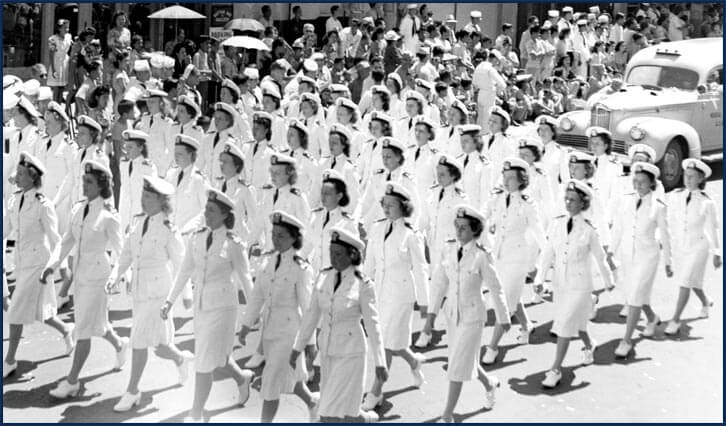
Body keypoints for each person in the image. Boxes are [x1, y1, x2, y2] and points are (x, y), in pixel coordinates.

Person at [162, 189, 255, 422]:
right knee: (218, 358)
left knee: (203, 361)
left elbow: (246, 280)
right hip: (202, 307)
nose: (207, 213)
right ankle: (242, 378)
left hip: (223, 309)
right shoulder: (197, 237)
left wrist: (252, 316)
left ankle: (196, 414)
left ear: (225, 215)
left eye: (212, 210)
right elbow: (184, 271)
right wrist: (169, 301)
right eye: (206, 209)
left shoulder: (233, 243)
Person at [106, 176, 193, 411]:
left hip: (158, 292)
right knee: (159, 344)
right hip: (139, 289)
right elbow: (126, 253)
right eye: (143, 196)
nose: (143, 201)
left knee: (138, 340)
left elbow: (181, 264)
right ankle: (180, 359)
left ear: (162, 201)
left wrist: (184, 295)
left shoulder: (168, 229)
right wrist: (115, 275)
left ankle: (132, 391)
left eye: (149, 197)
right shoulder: (137, 221)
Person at [42, 161, 127, 398]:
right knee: (98, 324)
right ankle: (120, 345)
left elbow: (121, 251)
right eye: (84, 180)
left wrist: (118, 277)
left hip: (98, 279)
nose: (84, 185)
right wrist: (52, 265)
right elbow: (67, 240)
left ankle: (72, 381)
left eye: (89, 182)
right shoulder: (79, 208)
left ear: (101, 185)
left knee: (83, 330)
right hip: (80, 275)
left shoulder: (110, 215)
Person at [290, 227, 387, 422]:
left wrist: (380, 363)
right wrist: (297, 348)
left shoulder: (363, 284)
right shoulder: (323, 276)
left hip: (351, 353)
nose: (333, 258)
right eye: (331, 253)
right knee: (340, 409)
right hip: (327, 351)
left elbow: (373, 326)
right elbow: (311, 316)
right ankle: (365, 420)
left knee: (328, 412)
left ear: (352, 255)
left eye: (338, 254)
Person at [423, 204, 511, 420]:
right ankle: (489, 383)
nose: (459, 231)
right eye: (457, 226)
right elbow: (439, 284)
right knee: (464, 360)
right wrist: (430, 317)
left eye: (464, 228)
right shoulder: (448, 249)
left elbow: (496, 287)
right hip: (452, 315)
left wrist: (503, 317)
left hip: (473, 317)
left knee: (455, 366)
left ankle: (447, 414)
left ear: (475, 230)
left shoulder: (481, 256)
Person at [239, 211, 319, 422]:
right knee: (289, 377)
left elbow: (308, 307)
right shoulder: (267, 261)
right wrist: (246, 324)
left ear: (294, 238)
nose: (275, 239)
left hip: (289, 334)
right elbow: (257, 295)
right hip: (269, 331)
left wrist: (310, 343)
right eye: (274, 234)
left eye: (282, 235)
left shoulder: (301, 268)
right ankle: (312, 402)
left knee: (271, 381)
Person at [534, 179, 615, 388]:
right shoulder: (558, 223)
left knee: (563, 325)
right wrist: (540, 279)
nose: (568, 203)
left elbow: (600, 257)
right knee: (577, 324)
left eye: (573, 200)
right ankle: (590, 345)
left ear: (583, 204)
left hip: (580, 285)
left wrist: (608, 281)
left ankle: (555, 369)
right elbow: (548, 253)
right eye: (567, 199)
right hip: (561, 283)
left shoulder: (589, 229)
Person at [3, 152, 74, 378]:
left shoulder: (44, 204)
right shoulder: (13, 200)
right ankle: (66, 329)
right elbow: (6, 230)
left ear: (33, 177)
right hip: (21, 261)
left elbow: (56, 239)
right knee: (42, 311)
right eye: (18, 173)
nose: (17, 177)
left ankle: (9, 360)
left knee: (15, 311)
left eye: (22, 174)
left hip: (38, 263)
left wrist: (60, 267)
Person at [361, 183, 429, 411]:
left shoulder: (411, 234)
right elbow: (369, 263)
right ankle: (414, 361)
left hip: (401, 295)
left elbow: (421, 268)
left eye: (392, 205)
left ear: (404, 206)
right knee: (393, 341)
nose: (386, 208)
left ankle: (376, 390)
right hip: (380, 293)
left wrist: (425, 302)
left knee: (385, 344)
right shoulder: (377, 228)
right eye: (384, 204)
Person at [481, 158, 546, 364]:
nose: (506, 181)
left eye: (511, 178)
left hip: (518, 256)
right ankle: (527, 326)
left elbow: (537, 230)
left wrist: (548, 255)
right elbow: (483, 215)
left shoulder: (527, 203)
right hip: (499, 254)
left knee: (504, 301)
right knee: (510, 295)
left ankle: (492, 347)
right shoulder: (498, 197)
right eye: (505, 177)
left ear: (521, 180)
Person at [611, 162, 672, 357]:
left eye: (642, 182)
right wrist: (610, 253)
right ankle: (652, 318)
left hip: (648, 256)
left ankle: (626, 341)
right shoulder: (626, 200)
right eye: (635, 181)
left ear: (652, 184)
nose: (637, 185)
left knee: (636, 295)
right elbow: (618, 228)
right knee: (635, 293)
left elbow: (665, 235)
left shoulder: (658, 206)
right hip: (628, 255)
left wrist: (668, 262)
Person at [665, 159, 722, 335]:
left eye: (692, 177)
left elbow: (713, 229)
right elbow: (668, 218)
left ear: (700, 179)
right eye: (686, 176)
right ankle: (705, 302)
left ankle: (675, 320)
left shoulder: (707, 202)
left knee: (685, 281)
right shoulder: (676, 195)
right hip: (683, 246)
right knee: (693, 282)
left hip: (700, 246)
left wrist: (717, 253)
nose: (687, 180)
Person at [306, 169, 360, 275]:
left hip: (334, 277)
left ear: (339, 196)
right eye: (322, 193)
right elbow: (306, 245)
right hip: (314, 275)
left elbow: (354, 256)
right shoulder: (314, 217)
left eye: (328, 194)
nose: (323, 197)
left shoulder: (346, 223)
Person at [164, 134, 209, 235]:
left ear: (190, 154)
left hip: (188, 235)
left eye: (180, 154)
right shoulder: (170, 174)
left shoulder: (199, 179)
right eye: (175, 153)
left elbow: (207, 209)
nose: (175, 157)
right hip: (169, 234)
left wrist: (191, 227)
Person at [118, 130, 158, 233]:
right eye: (126, 147)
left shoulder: (148, 167)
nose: (127, 150)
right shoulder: (124, 164)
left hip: (140, 213)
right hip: (125, 213)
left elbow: (152, 194)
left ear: (140, 148)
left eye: (130, 147)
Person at [47, 20, 73, 104]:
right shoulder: (53, 39)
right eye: (65, 28)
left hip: (65, 63)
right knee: (56, 87)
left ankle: (60, 105)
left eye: (68, 27)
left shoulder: (69, 37)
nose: (67, 29)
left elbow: (70, 47)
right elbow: (51, 54)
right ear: (59, 28)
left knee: (62, 86)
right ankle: (54, 105)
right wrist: (53, 69)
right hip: (56, 63)